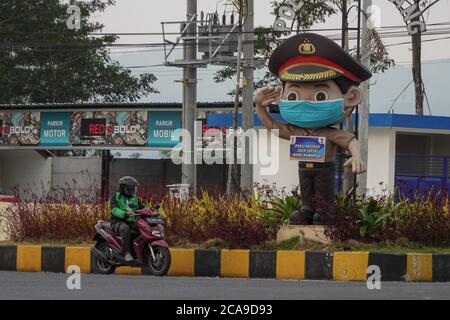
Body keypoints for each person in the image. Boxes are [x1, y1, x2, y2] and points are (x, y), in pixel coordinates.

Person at [254, 33, 372, 225]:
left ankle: (326, 211)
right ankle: (306, 209)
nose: (305, 102)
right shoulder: (295, 131)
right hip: (304, 167)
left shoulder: (329, 133)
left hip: (324, 168)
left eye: (320, 95)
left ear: (351, 96)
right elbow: (273, 127)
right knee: (306, 190)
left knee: (323, 190)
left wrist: (357, 156)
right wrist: (259, 107)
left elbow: (350, 140)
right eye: (292, 95)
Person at [110, 176, 145, 261]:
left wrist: (152, 211)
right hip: (117, 222)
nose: (133, 190)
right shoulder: (116, 197)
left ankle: (140, 252)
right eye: (131, 188)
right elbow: (114, 210)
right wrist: (124, 213)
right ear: (124, 188)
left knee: (144, 228)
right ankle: (126, 253)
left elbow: (143, 208)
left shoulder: (134, 198)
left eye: (134, 188)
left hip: (131, 221)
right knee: (125, 228)